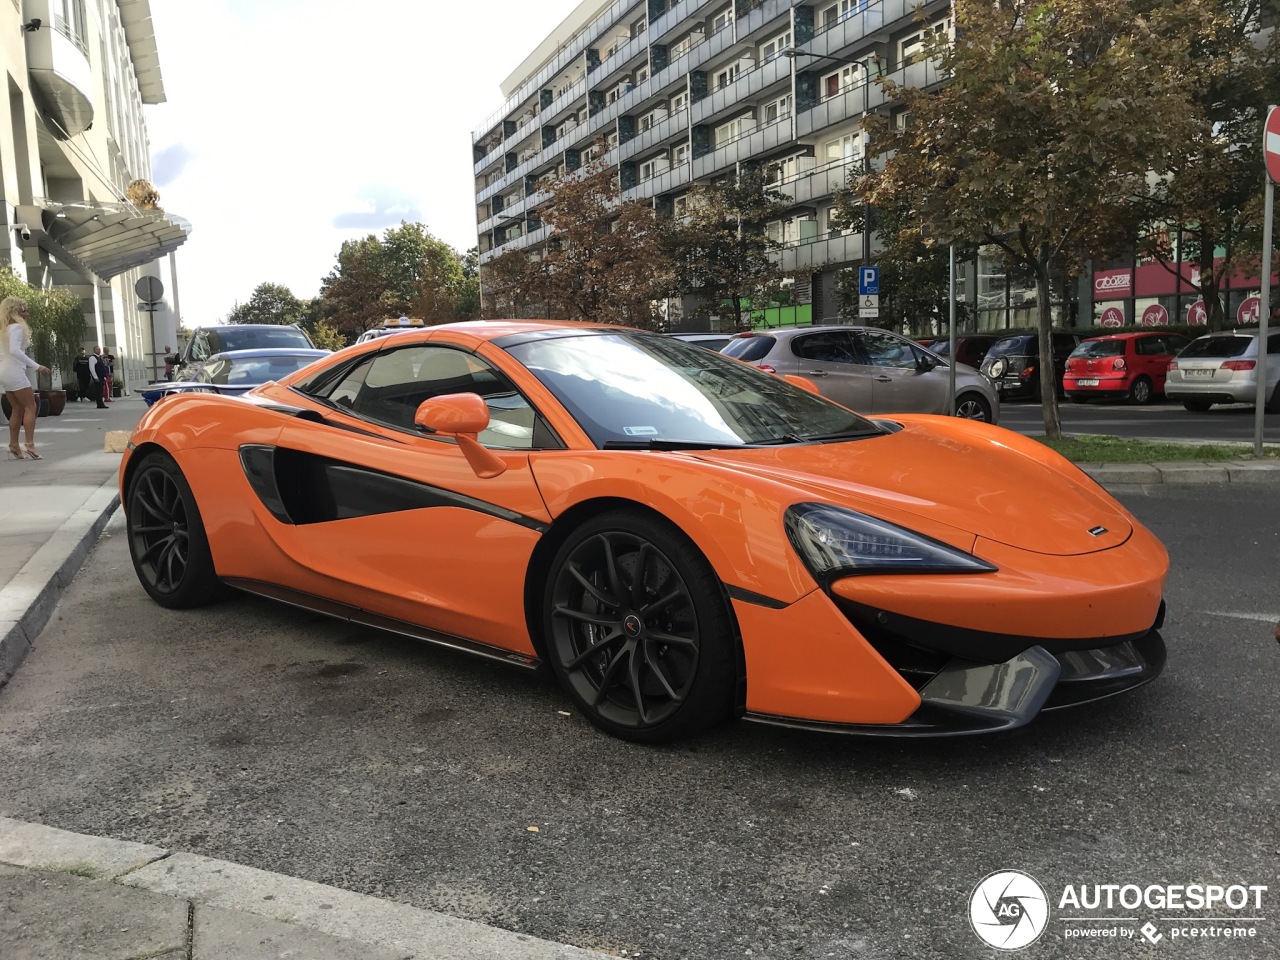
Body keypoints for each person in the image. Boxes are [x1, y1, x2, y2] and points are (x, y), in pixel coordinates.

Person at [0, 296, 51, 460]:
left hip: (5, 371)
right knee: (31, 406)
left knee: (17, 409)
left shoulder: (4, 329)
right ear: (15, 311)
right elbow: (15, 351)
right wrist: (37, 366)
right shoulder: (16, 328)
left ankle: (14, 445)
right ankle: (30, 444)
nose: (27, 313)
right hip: (14, 370)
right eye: (24, 309)